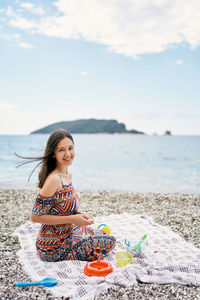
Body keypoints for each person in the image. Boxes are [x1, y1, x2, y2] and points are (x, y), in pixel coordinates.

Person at [18, 129, 116, 262]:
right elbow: (35, 217)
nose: (68, 154)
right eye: (61, 150)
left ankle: (79, 246)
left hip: (69, 231)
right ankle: (69, 255)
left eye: (70, 148)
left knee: (104, 235)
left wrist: (79, 215)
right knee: (110, 242)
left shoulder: (67, 175)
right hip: (54, 246)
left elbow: (63, 208)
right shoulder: (54, 180)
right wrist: (73, 219)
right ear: (53, 154)